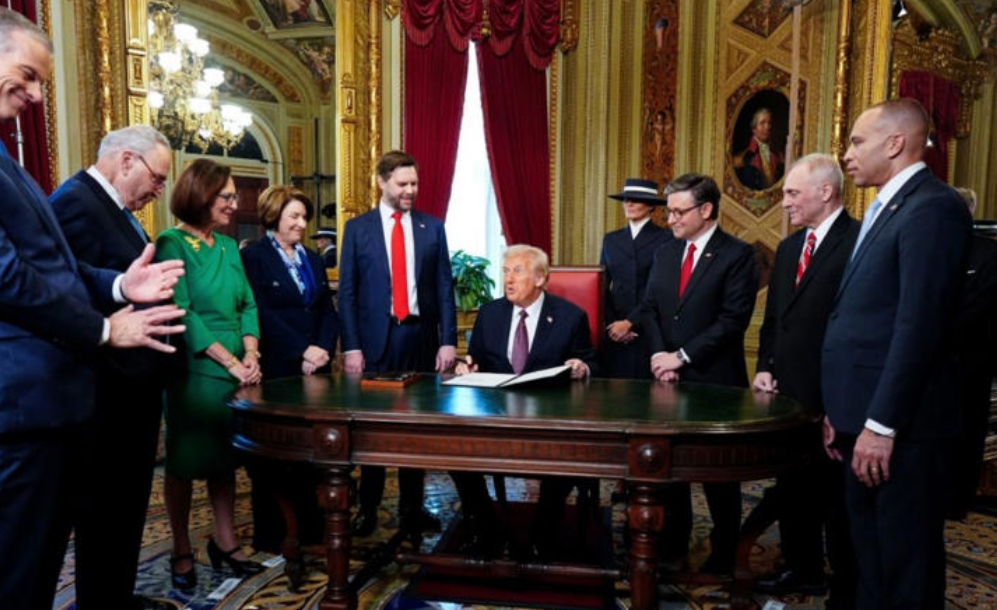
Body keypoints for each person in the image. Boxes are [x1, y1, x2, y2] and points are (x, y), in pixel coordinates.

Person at [0, 10, 186, 610]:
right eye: (28, 76)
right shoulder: (73, 197)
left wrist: (121, 286)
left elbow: (58, 269)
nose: (35, 96)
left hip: (57, 405)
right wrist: (105, 329)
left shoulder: (10, 163)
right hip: (34, 403)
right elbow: (11, 277)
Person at [822, 98, 971, 610]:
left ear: (895, 143)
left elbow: (918, 326)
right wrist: (841, 412)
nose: (846, 154)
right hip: (862, 418)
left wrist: (881, 425)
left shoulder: (933, 208)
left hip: (902, 430)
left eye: (856, 141)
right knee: (871, 558)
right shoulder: (888, 207)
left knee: (905, 564)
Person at [50, 125, 176, 610]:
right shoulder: (76, 203)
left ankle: (115, 597)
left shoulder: (115, 210)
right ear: (126, 160)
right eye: (157, 178)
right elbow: (62, 294)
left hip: (130, 391)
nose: (158, 190)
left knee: (124, 509)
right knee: (104, 510)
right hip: (105, 393)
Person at [751, 154, 858, 608]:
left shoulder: (858, 242)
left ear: (825, 192)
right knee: (793, 486)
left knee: (835, 496)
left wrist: (839, 402)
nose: (785, 202)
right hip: (787, 395)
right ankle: (803, 568)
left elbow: (855, 328)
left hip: (834, 395)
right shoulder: (791, 246)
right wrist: (765, 366)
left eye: (793, 193)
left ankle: (847, 583)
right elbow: (776, 318)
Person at [640, 172, 759, 574]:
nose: (670, 219)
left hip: (715, 381)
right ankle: (674, 545)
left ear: (706, 209)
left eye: (679, 211)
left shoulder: (738, 255)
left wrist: (682, 357)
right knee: (670, 469)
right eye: (669, 211)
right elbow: (650, 309)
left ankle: (725, 554)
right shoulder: (665, 252)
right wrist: (660, 355)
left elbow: (732, 320)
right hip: (666, 380)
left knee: (718, 475)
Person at [155, 159, 264, 590]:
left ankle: (226, 541)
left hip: (238, 370)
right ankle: (181, 549)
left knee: (224, 460)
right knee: (184, 463)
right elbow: (182, 311)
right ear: (201, 195)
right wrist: (230, 362)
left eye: (234, 196)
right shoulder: (172, 242)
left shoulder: (228, 246)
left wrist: (251, 353)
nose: (234, 204)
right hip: (194, 370)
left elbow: (248, 304)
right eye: (227, 196)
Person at [338, 150, 457, 537]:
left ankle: (412, 508)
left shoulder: (432, 227)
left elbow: (444, 288)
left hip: (419, 338)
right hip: (376, 341)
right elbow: (348, 294)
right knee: (373, 430)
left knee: (415, 430)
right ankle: (368, 508)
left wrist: (448, 342)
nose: (410, 190)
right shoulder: (358, 229)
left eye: (414, 183)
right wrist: (351, 347)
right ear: (382, 182)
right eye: (403, 184)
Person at [453, 244, 597, 556]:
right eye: (506, 271)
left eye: (517, 272)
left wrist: (581, 367)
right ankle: (487, 526)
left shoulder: (570, 317)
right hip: (496, 417)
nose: (508, 279)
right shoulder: (490, 314)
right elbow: (475, 359)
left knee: (569, 458)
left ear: (540, 278)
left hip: (550, 420)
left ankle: (543, 533)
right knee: (455, 454)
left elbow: (590, 363)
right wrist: (468, 367)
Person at [241, 185, 339, 553]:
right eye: (294, 216)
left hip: (317, 370)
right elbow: (261, 312)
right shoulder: (254, 256)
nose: (302, 223)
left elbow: (326, 310)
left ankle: (311, 529)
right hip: (280, 368)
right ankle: (275, 534)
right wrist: (302, 350)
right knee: (277, 455)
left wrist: (322, 349)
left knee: (312, 455)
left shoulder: (312, 258)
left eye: (304, 217)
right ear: (274, 216)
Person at [947, 187, 997, 519]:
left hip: (972, 362)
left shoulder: (990, 253)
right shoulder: (933, 248)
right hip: (932, 363)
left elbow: (980, 306)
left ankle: (958, 503)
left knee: (968, 433)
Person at [600, 178, 672, 379]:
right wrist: (613, 325)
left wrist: (630, 322)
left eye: (635, 200)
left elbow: (661, 288)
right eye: (626, 200)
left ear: (650, 206)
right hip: (614, 331)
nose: (628, 204)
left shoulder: (666, 238)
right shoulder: (611, 239)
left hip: (649, 327)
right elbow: (602, 285)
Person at [734, 107, 784, 190]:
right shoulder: (744, 156)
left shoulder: (777, 154)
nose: (767, 127)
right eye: (762, 123)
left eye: (769, 123)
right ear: (754, 129)